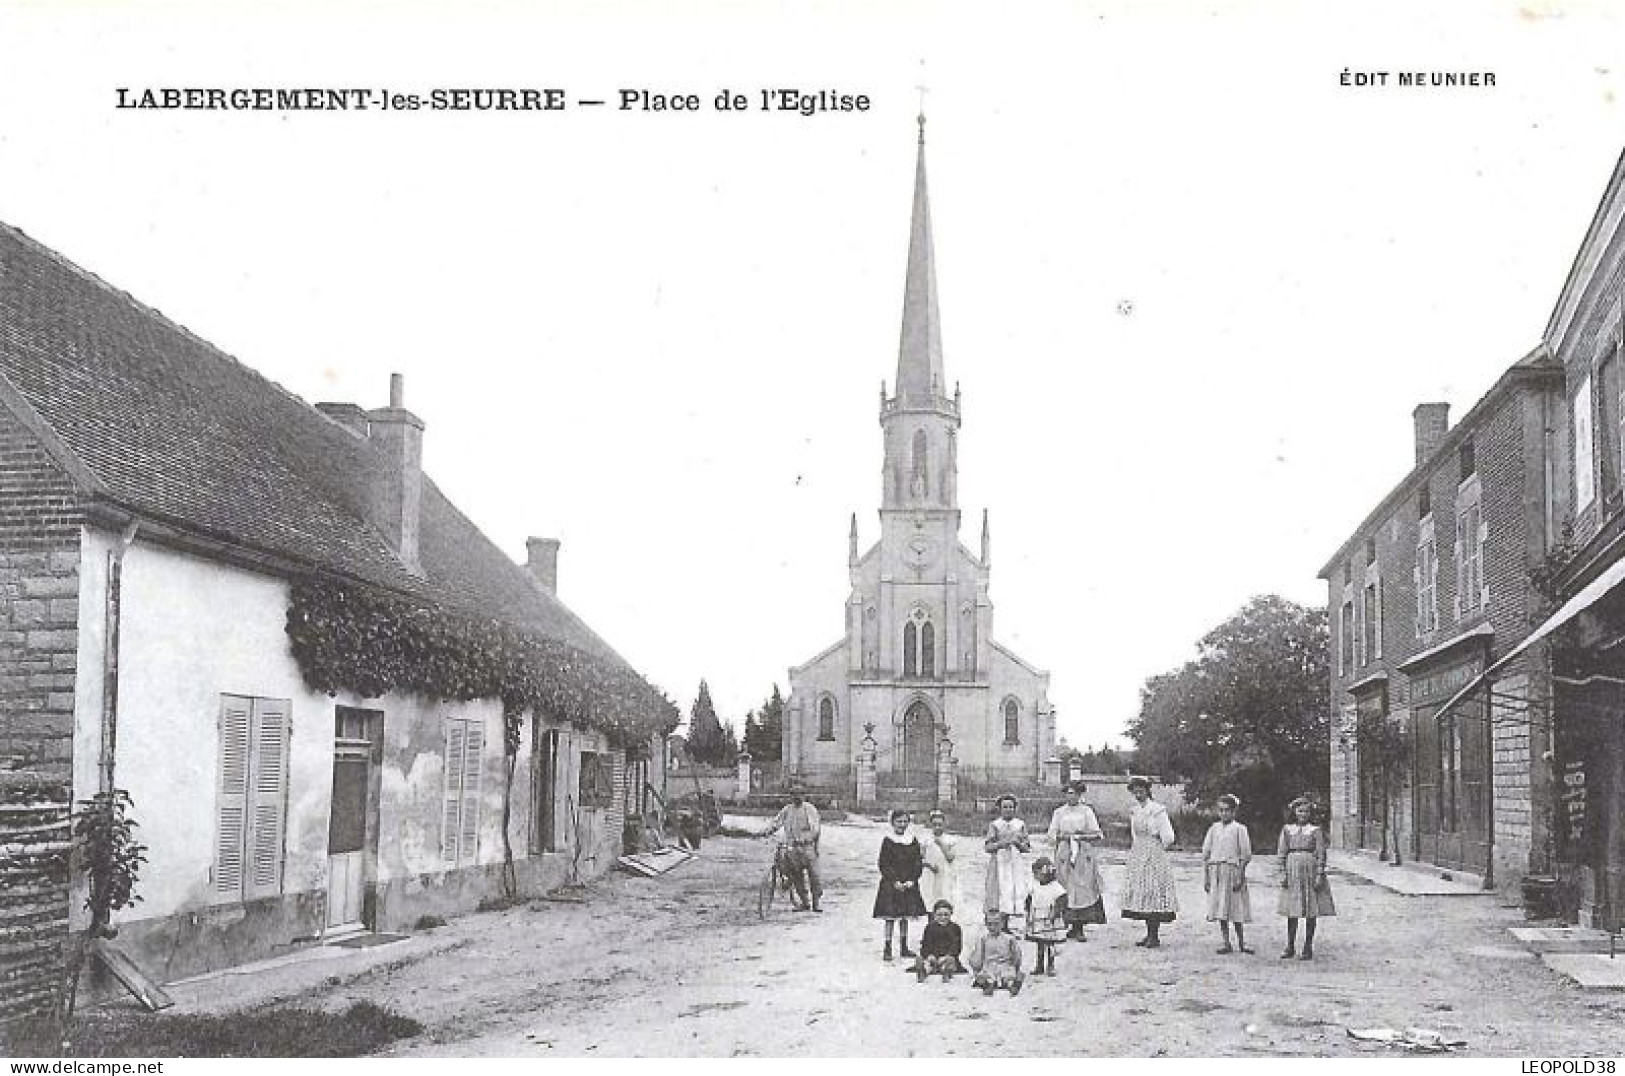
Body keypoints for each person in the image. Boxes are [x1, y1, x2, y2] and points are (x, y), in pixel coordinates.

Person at [1120, 776, 1178, 947]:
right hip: (1139, 852)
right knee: (1143, 893)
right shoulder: (1135, 811)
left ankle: (1154, 935)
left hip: (1154, 852)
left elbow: (1169, 836)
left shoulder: (1158, 810)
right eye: (1135, 792)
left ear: (1147, 790)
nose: (1138, 795)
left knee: (1153, 892)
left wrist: (1158, 848)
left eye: (1141, 791)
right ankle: (1148, 934)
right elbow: (1134, 834)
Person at [1277, 795, 1336, 960]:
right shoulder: (1287, 830)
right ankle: (1290, 945)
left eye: (1306, 811)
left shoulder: (1315, 831)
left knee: (1311, 909)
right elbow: (1281, 852)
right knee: (1292, 909)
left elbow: (1321, 853)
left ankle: (1308, 946)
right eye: (1300, 811)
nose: (1303, 814)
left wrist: (1319, 874)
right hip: (1292, 869)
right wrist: (1283, 873)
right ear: (1295, 812)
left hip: (1310, 869)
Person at [1046, 780, 1106, 940]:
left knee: (1082, 887)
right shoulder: (1059, 812)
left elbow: (1097, 834)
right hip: (1065, 852)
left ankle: (1079, 927)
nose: (1070, 796)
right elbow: (1051, 834)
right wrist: (1062, 836)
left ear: (1080, 795)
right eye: (1068, 793)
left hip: (1082, 852)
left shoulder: (1087, 811)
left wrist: (1081, 836)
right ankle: (1068, 923)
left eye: (1073, 793)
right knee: (1065, 885)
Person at [1202, 793, 1253, 954]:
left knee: (1235, 908)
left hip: (1232, 871)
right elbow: (1206, 853)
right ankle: (1226, 942)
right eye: (1221, 810)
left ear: (1234, 812)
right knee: (1221, 908)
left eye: (1227, 810)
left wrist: (1240, 874)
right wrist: (1207, 877)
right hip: (1216, 871)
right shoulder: (1214, 828)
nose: (1224, 813)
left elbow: (1246, 855)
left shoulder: (1239, 829)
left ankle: (1242, 943)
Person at [875, 808, 928, 961]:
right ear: (892, 823)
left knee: (905, 916)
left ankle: (904, 947)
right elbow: (884, 864)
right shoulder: (888, 840)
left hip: (908, 883)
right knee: (890, 917)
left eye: (905, 821)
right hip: (891, 884)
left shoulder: (912, 840)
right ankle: (887, 947)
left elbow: (917, 862)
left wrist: (912, 879)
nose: (902, 824)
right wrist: (894, 881)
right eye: (899, 821)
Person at [765, 784, 822, 912]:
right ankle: (805, 902)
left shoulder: (809, 809)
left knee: (815, 876)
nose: (797, 797)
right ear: (790, 796)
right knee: (796, 876)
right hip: (793, 848)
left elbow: (816, 828)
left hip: (807, 847)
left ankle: (816, 903)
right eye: (794, 795)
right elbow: (777, 822)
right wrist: (769, 830)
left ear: (804, 795)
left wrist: (810, 840)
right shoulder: (787, 810)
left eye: (800, 794)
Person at [983, 794, 1032, 929]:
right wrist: (1001, 843)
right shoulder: (995, 825)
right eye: (1005, 807)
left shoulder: (1020, 825)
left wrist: (1019, 844)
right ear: (1000, 808)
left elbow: (1027, 848)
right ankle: (999, 924)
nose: (1008, 809)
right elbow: (987, 847)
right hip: (999, 862)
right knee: (999, 891)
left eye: (1011, 807)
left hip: (1015, 863)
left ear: (1015, 808)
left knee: (1013, 889)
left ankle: (1009, 922)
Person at [1024, 857, 1069, 977]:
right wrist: (1028, 912)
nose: (1035, 876)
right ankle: (1039, 965)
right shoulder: (1035, 885)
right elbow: (1029, 899)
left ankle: (1050, 965)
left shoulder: (1056, 887)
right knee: (1039, 943)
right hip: (1038, 918)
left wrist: (1055, 914)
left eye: (1037, 873)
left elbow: (1062, 900)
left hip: (1050, 919)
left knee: (1050, 944)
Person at [968, 908, 1025, 996]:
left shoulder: (1009, 938)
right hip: (989, 966)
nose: (992, 927)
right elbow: (979, 955)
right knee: (983, 977)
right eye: (989, 924)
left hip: (1005, 966)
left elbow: (1016, 955)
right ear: (986, 924)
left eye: (996, 924)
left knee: (1012, 976)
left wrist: (1015, 967)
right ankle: (988, 985)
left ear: (1002, 924)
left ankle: (1012, 986)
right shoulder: (984, 939)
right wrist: (976, 967)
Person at [915, 899, 966, 983]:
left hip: (947, 957)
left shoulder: (955, 928)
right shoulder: (930, 927)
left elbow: (956, 946)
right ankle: (923, 971)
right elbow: (925, 945)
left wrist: (947, 956)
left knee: (950, 962)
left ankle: (946, 971)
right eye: (939, 915)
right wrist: (929, 955)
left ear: (951, 914)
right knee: (927, 963)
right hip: (933, 958)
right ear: (934, 914)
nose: (943, 918)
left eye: (946, 915)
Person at [921, 809, 960, 914]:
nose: (937, 827)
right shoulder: (926, 840)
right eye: (934, 824)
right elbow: (920, 858)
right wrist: (929, 865)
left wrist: (941, 844)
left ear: (944, 824)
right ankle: (931, 927)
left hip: (945, 874)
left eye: (940, 824)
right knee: (930, 901)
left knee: (944, 899)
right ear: (931, 825)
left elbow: (951, 857)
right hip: (930, 874)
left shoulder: (950, 840)